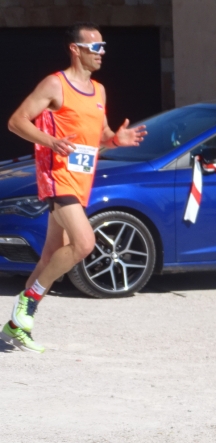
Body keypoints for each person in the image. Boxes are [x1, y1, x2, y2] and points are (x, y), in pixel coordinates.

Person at [1, 22, 147, 353]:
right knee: (84, 243)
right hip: (57, 177)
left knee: (52, 254)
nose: (102, 53)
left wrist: (116, 140)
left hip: (82, 180)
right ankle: (28, 300)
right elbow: (17, 121)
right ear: (76, 49)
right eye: (95, 47)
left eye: (103, 46)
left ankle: (15, 326)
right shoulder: (55, 84)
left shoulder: (99, 91)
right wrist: (50, 141)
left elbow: (100, 136)